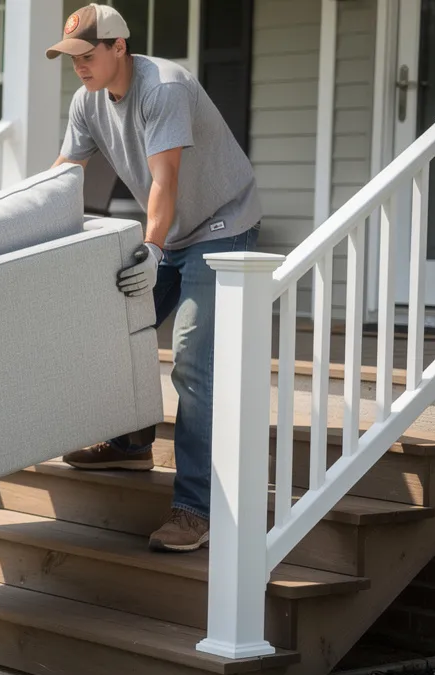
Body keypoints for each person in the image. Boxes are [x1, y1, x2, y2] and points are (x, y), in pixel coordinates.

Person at [47, 4, 262, 553]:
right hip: (167, 231)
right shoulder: (86, 100)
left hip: (220, 224)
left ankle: (194, 509)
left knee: (191, 359)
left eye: (87, 55)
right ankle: (130, 441)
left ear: (120, 46)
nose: (79, 66)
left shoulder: (162, 87)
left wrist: (151, 246)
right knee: (110, 326)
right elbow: (65, 179)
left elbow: (164, 181)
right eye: (72, 58)